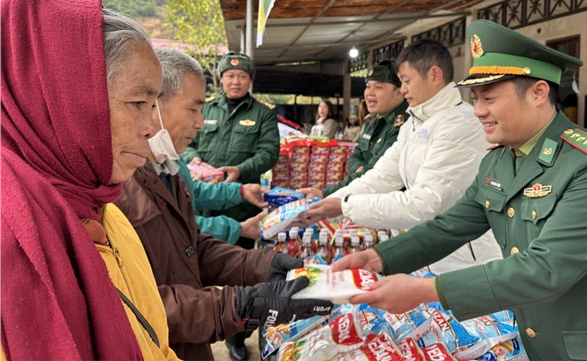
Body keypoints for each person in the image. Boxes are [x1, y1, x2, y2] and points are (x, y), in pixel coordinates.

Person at [334, 20, 587, 361]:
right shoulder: (498, 162)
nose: (479, 110)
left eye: (490, 97)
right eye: (475, 98)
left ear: (539, 92)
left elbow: (546, 267)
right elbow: (450, 227)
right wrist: (378, 258)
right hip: (539, 344)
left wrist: (427, 291)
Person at [116, 47, 332, 360]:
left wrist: (260, 265)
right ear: (155, 104)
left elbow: (191, 247)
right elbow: (136, 305)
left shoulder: (168, 169)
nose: (201, 123)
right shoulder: (118, 185)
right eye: (193, 110)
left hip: (188, 344)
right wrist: (240, 305)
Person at [1, 0, 178, 360]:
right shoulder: (11, 245)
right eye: (137, 103)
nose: (151, 128)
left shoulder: (107, 212)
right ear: (66, 102)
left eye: (153, 107)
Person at [299, 40, 500, 273]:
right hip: (433, 250)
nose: (403, 89)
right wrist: (331, 201)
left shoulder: (458, 124)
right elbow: (381, 177)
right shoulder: (414, 123)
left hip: (469, 258)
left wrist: (345, 206)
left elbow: (425, 202)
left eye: (406, 80)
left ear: (435, 75)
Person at [183, 51, 280, 360]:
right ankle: (198, 323)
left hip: (241, 206)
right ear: (221, 79)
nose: (235, 81)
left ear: (249, 81)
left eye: (241, 76)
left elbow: (269, 152)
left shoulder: (263, 113)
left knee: (237, 272)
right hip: (203, 202)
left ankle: (236, 337)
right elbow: (186, 143)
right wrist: (193, 161)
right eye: (229, 76)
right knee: (197, 266)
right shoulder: (205, 108)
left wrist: (242, 171)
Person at [298, 59, 409, 198]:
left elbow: (375, 176)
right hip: (365, 198)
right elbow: (355, 155)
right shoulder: (372, 120)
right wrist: (359, 169)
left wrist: (325, 194)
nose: (370, 93)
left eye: (378, 87)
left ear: (399, 93)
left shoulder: (403, 124)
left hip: (389, 205)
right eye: (368, 86)